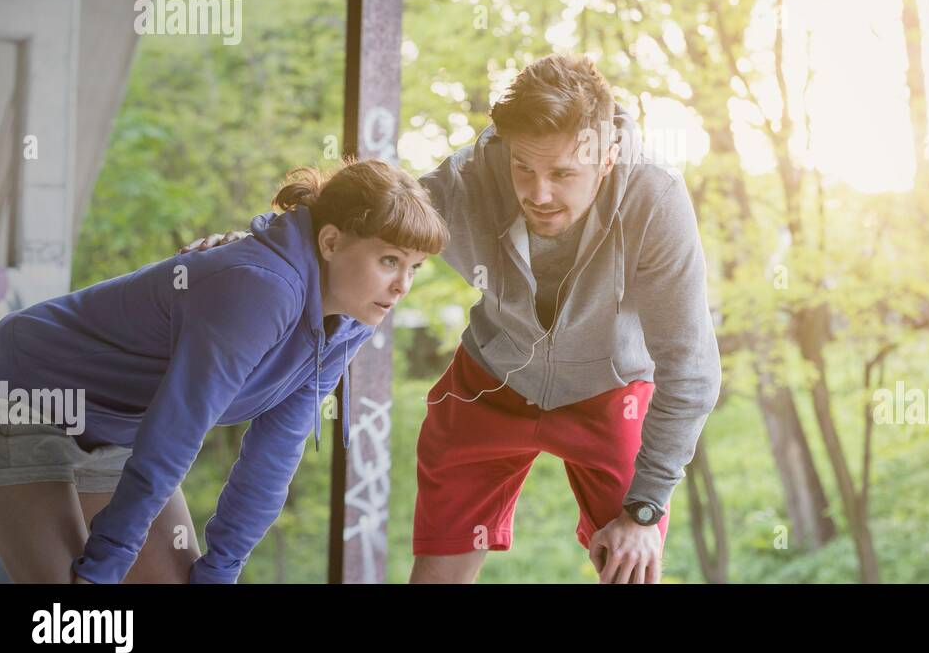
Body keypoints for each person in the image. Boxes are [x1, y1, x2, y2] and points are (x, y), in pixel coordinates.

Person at [188, 55, 723, 584]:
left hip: (611, 387)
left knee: (633, 561)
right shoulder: (471, 175)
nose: (539, 194)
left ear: (606, 159)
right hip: (490, 381)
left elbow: (690, 368)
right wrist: (261, 244)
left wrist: (646, 509)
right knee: (438, 574)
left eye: (562, 174)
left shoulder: (655, 199)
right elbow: (371, 218)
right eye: (524, 168)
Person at [0, 157, 446, 583]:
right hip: (24, 395)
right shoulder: (263, 288)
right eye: (390, 260)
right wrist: (103, 567)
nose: (402, 285)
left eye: (415, 268)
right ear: (330, 242)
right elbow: (175, 436)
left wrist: (220, 570)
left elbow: (274, 453)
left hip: (116, 431)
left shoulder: (350, 319)